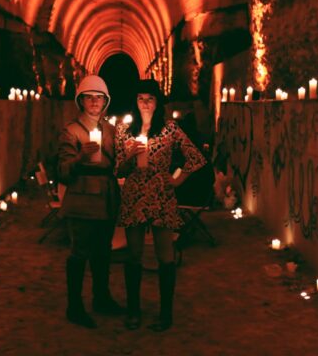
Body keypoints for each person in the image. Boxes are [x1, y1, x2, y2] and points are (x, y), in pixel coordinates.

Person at [115, 79, 206, 332]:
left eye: (150, 98)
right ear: (135, 101)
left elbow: (196, 157)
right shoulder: (124, 130)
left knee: (165, 256)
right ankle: (134, 311)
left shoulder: (169, 129)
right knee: (133, 256)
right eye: (141, 97)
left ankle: (165, 314)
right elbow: (118, 168)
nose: (145, 102)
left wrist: (177, 180)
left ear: (158, 102)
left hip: (161, 196)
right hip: (134, 196)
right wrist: (129, 158)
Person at [57, 75, 123, 328]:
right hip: (82, 200)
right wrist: (79, 159)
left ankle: (101, 298)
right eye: (89, 97)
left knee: (103, 251)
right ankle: (74, 306)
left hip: (106, 197)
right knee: (79, 252)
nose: (94, 102)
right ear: (81, 101)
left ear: (105, 101)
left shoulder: (111, 130)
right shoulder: (71, 131)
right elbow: (63, 170)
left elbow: (117, 163)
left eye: (99, 97)